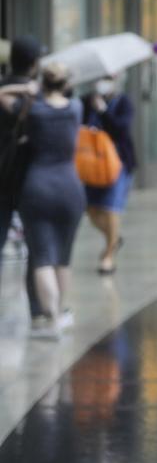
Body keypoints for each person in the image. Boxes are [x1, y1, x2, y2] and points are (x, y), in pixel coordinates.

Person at [0, 62, 84, 339]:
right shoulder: (75, 109)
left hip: (37, 187)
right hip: (70, 187)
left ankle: (52, 319)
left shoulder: (33, 111)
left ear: (42, 82)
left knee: (42, 258)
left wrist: (24, 89)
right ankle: (63, 310)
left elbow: (2, 96)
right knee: (63, 258)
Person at [0, 35, 46, 324]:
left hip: (1, 179)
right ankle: (38, 308)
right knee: (37, 246)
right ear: (34, 63)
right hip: (28, 177)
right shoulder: (38, 95)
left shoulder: (7, 87)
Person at [82, 73, 137, 274]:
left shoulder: (124, 102)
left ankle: (109, 254)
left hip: (118, 163)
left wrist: (103, 111)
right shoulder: (86, 101)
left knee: (111, 208)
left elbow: (121, 129)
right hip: (91, 163)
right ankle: (114, 238)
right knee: (91, 209)